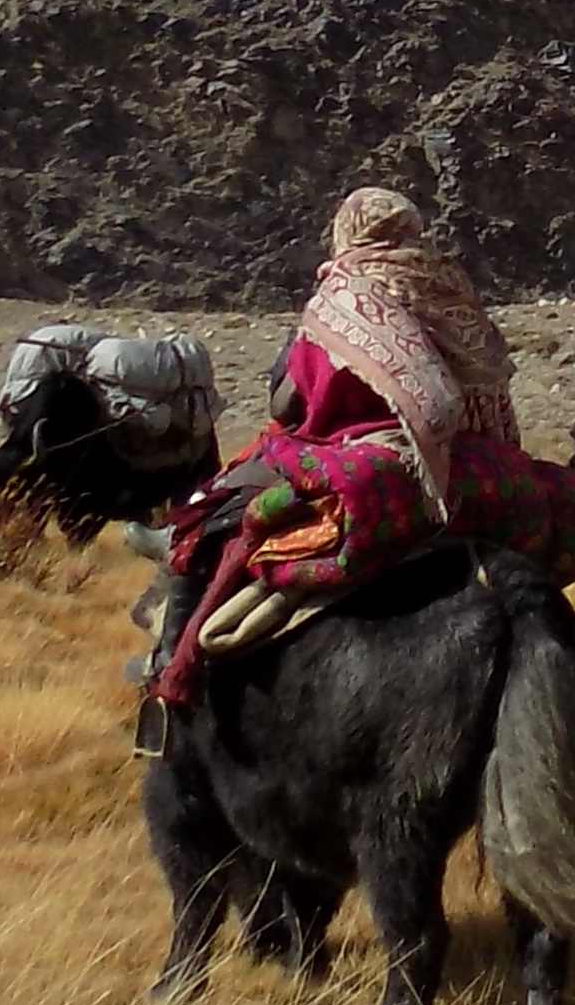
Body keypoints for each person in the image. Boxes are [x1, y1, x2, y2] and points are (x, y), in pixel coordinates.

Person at [143, 188, 542, 729]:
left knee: (208, 519)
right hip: (466, 457)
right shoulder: (448, 286)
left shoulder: (341, 295)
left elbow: (291, 399)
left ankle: (172, 676)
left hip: (350, 450)